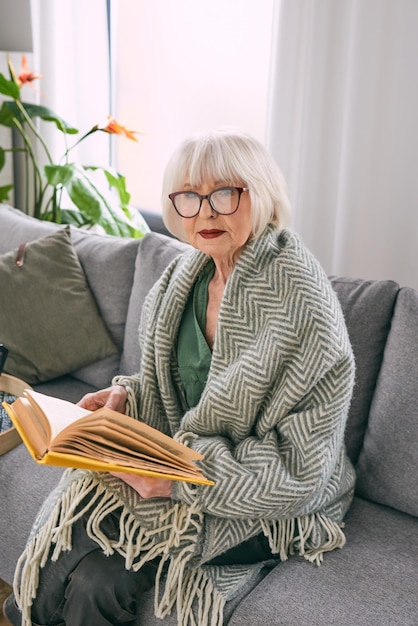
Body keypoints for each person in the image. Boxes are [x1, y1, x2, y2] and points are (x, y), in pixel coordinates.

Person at [4, 129, 356, 626]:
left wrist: (179, 483)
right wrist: (125, 394)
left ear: (261, 195)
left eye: (225, 193)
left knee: (95, 584)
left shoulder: (302, 307)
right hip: (178, 466)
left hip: (271, 500)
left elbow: (300, 470)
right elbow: (165, 385)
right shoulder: (183, 278)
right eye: (190, 196)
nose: (205, 212)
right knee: (62, 549)